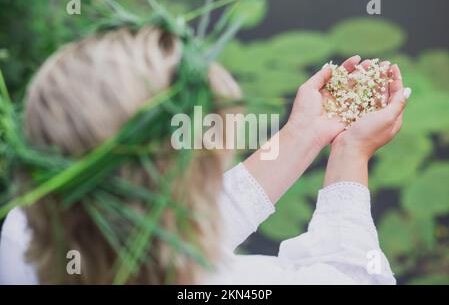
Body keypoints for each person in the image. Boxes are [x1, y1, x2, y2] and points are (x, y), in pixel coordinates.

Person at [0, 27, 410, 284]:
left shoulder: (22, 235)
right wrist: (350, 151)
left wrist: (301, 135)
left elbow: (164, 226)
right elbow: (356, 275)